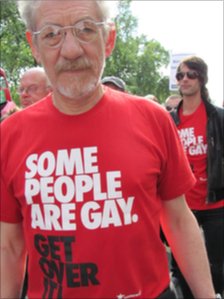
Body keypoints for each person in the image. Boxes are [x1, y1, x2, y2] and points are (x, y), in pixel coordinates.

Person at [0, 1, 218, 298]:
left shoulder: (153, 118)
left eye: (86, 29)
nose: (71, 50)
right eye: (52, 34)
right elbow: (10, 246)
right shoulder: (9, 136)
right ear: (34, 45)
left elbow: (178, 220)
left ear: (110, 39)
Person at [169, 55, 224, 298]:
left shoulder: (218, 116)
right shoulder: (169, 119)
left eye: (191, 74)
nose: (184, 79)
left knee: (217, 265)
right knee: (183, 266)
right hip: (182, 205)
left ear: (201, 79)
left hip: (216, 202)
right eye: (180, 75)